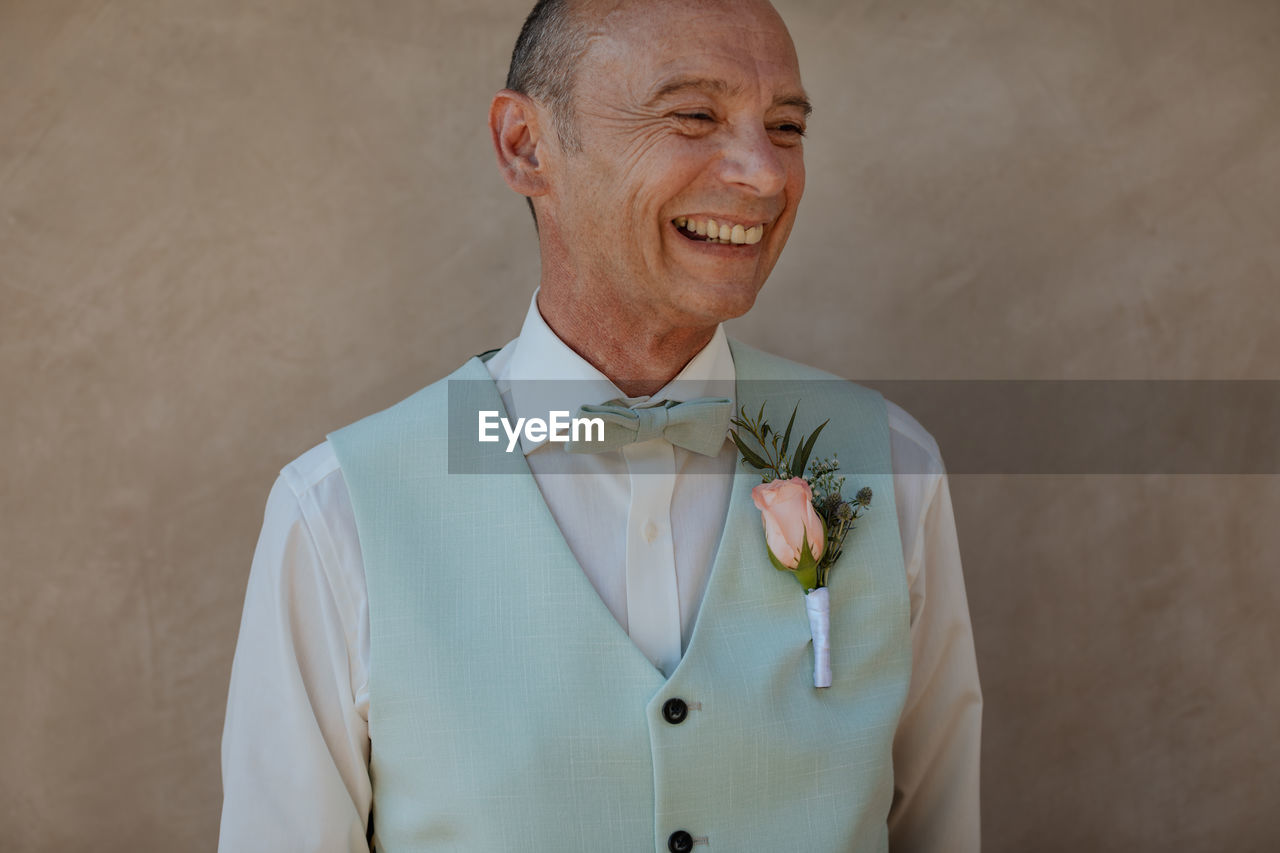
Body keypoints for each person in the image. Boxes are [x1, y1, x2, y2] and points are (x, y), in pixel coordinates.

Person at [218, 0, 982, 850]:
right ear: (525, 146)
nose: (766, 174)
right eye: (695, 115)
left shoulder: (892, 466)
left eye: (787, 126)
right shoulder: (337, 513)